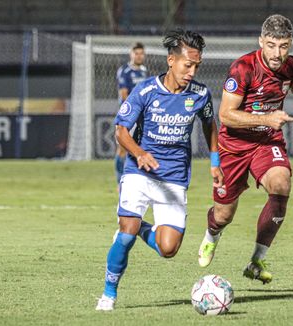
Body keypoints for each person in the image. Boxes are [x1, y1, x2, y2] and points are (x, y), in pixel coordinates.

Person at [96, 29, 223, 311]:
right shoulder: (145, 91)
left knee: (168, 249)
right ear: (171, 60)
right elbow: (120, 131)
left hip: (174, 177)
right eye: (187, 65)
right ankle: (108, 294)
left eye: (196, 66)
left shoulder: (201, 94)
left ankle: (136, 226)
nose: (192, 71)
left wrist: (215, 164)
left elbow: (209, 125)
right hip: (140, 172)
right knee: (125, 234)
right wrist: (140, 153)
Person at [197, 14, 293, 284]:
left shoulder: (292, 65)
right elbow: (226, 115)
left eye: (284, 45)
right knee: (223, 214)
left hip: (267, 141)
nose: (278, 53)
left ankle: (256, 260)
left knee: (281, 183)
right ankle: (211, 235)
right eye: (272, 45)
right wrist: (266, 118)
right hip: (234, 147)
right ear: (261, 41)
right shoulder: (243, 69)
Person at [114, 42, 148, 185]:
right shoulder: (124, 71)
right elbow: (124, 95)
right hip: (128, 117)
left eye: (141, 53)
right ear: (131, 54)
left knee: (142, 147)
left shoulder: (144, 71)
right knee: (123, 149)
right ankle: (119, 181)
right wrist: (136, 110)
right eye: (136, 53)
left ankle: (140, 179)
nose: (139, 56)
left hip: (142, 116)